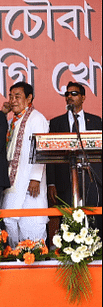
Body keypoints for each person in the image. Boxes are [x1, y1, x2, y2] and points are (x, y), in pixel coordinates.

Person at [46, 81, 102, 231]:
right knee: (68, 221)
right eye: (67, 94)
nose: (69, 96)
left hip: (92, 180)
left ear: (83, 97)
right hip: (65, 180)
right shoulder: (56, 123)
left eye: (74, 93)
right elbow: (49, 154)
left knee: (94, 220)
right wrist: (51, 183)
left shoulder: (96, 121)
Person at [0, 82, 49, 246]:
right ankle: (15, 255)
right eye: (11, 96)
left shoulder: (37, 119)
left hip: (29, 179)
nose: (13, 100)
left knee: (31, 221)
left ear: (29, 98)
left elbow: (41, 149)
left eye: (17, 96)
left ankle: (34, 256)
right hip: (12, 181)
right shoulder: (11, 121)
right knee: (10, 220)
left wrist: (35, 177)